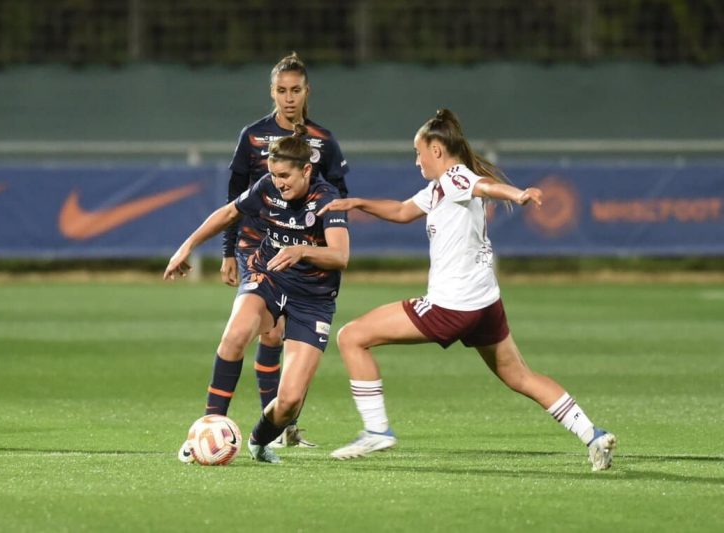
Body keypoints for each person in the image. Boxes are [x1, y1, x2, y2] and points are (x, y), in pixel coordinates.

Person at [318, 109, 617, 471]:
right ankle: (594, 434)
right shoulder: (439, 188)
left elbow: (484, 186)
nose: (417, 161)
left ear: (438, 151)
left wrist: (518, 194)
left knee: (351, 336)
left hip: (452, 305)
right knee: (520, 376)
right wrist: (357, 203)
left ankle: (377, 430)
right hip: (485, 303)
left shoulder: (457, 177)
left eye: (419, 153)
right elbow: (400, 210)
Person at [166, 126, 349, 464]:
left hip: (313, 297)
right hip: (270, 276)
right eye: (273, 174)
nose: (278, 182)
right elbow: (229, 213)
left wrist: (302, 251)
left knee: (290, 401)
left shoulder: (328, 201)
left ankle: (258, 441)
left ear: (307, 170)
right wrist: (187, 245)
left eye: (285, 175)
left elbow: (340, 255)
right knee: (235, 335)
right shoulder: (266, 188)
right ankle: (205, 430)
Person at [220, 52, 350, 448]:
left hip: (299, 249)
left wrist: (325, 240)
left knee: (278, 337)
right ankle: (251, 427)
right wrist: (228, 251)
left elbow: (339, 197)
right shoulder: (253, 136)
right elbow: (234, 197)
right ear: (272, 92)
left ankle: (277, 427)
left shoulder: (323, 142)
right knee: (269, 332)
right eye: (281, 90)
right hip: (256, 244)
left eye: (295, 90)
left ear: (307, 91)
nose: (288, 98)